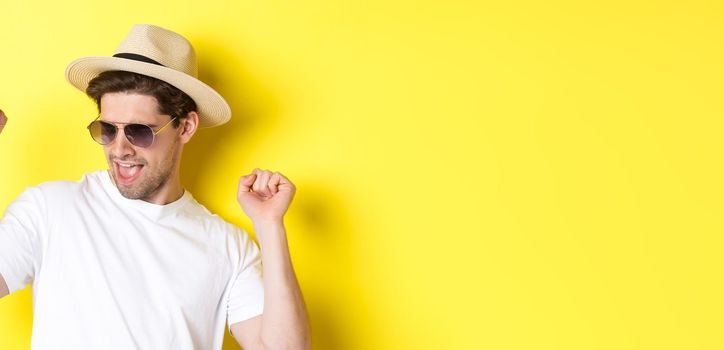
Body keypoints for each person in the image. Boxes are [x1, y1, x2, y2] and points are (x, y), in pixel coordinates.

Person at [0, 24, 310, 350]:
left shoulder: (227, 246)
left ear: (185, 127)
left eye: (139, 131)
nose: (119, 149)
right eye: (107, 129)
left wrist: (269, 226)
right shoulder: (49, 209)